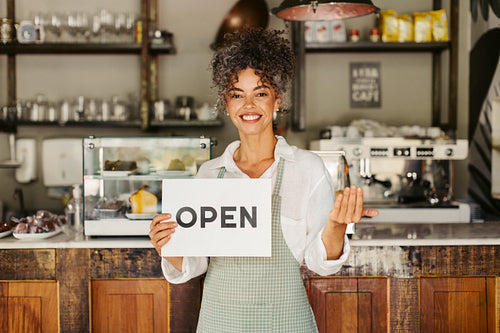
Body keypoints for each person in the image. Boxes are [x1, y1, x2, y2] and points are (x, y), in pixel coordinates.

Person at [149, 28, 378, 332]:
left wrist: (336, 226)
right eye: (236, 95)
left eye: (260, 93)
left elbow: (322, 264)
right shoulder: (209, 175)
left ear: (277, 99)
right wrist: (167, 246)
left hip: (286, 322)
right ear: (226, 104)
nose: (248, 106)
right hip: (221, 322)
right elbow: (193, 266)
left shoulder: (307, 168)